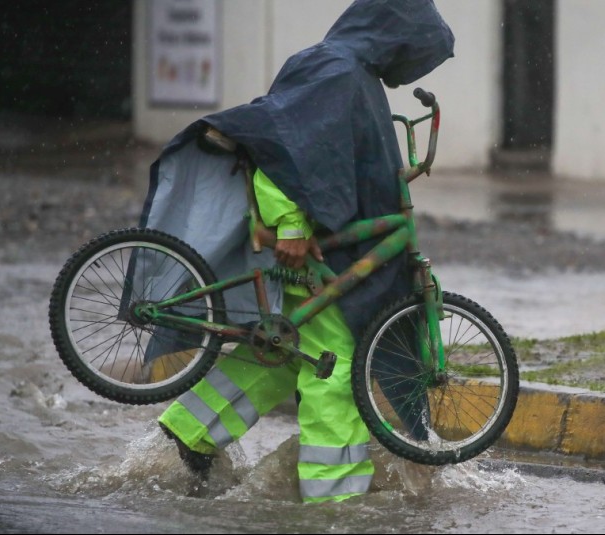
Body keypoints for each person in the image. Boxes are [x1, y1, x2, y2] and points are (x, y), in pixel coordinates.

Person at [139, 0, 454, 503]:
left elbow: (333, 151)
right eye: (415, 52)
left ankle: (191, 430)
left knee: (288, 353)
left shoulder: (348, 68)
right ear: (396, 35)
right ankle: (335, 499)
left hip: (330, 243)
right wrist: (289, 224)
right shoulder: (339, 70)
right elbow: (283, 144)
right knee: (335, 361)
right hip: (317, 248)